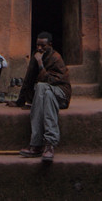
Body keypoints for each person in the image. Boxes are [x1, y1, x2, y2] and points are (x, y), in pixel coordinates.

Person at [9, 31, 71, 162]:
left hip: (61, 95)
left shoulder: (56, 58)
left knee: (42, 87)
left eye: (43, 46)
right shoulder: (36, 56)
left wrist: (40, 64)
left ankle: (36, 144)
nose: (39, 48)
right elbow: (29, 79)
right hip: (47, 96)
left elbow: (53, 81)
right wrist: (20, 101)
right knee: (46, 94)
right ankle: (49, 145)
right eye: (37, 45)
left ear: (50, 45)